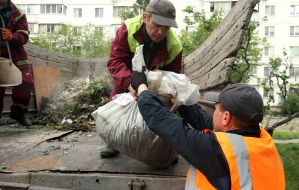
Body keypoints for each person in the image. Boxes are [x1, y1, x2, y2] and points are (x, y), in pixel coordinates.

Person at [130, 71, 285, 189]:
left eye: (216, 109)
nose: (213, 113)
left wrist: (142, 88)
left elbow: (163, 122)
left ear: (226, 117)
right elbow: (208, 124)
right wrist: (182, 98)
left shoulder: (215, 151)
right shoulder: (264, 142)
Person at [103, 0, 183, 158]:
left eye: (166, 27)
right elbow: (115, 61)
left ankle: (161, 147)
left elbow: (172, 76)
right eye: (157, 25)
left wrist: (156, 91)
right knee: (118, 99)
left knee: (158, 108)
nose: (161, 32)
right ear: (146, 17)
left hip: (154, 82)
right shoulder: (128, 29)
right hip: (128, 75)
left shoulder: (174, 46)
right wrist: (130, 84)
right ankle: (113, 141)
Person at [0, 0, 33, 126]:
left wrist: (12, 36)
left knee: (26, 81)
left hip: (15, 55)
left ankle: (18, 113)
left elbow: (24, 36)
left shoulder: (18, 13)